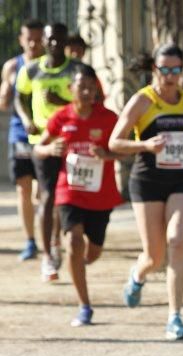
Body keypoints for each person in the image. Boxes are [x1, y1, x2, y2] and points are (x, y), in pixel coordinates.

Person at [108, 44, 183, 340]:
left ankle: (175, 317)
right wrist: (145, 145)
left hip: (182, 179)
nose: (169, 75)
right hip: (148, 181)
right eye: (164, 69)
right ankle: (137, 276)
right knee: (154, 257)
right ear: (154, 69)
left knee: (177, 241)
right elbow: (115, 142)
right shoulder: (142, 101)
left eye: (175, 70)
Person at [34, 65, 123, 326]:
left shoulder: (109, 118)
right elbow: (38, 148)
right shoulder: (61, 118)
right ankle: (84, 305)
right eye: (81, 87)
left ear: (96, 90)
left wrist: (108, 155)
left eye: (90, 88)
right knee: (73, 243)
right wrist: (50, 149)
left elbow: (126, 151)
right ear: (71, 89)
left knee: (92, 253)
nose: (86, 92)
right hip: (69, 191)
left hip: (101, 195)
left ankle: (78, 266)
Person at [15, 22, 83, 281]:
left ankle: (60, 241)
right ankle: (48, 255)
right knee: (47, 196)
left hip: (73, 141)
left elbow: (91, 100)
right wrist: (26, 119)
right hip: (43, 140)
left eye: (60, 39)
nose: (55, 44)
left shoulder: (76, 70)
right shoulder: (31, 70)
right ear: (44, 41)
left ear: (66, 41)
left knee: (66, 198)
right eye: (50, 39)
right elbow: (21, 96)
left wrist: (63, 103)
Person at [0, 19, 44, 261]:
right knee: (23, 188)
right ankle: (30, 241)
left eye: (38, 39)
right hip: (19, 132)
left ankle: (51, 238)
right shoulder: (11, 66)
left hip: (46, 134)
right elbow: (3, 103)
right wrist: (5, 95)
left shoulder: (50, 65)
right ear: (21, 39)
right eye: (29, 39)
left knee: (44, 191)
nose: (33, 44)